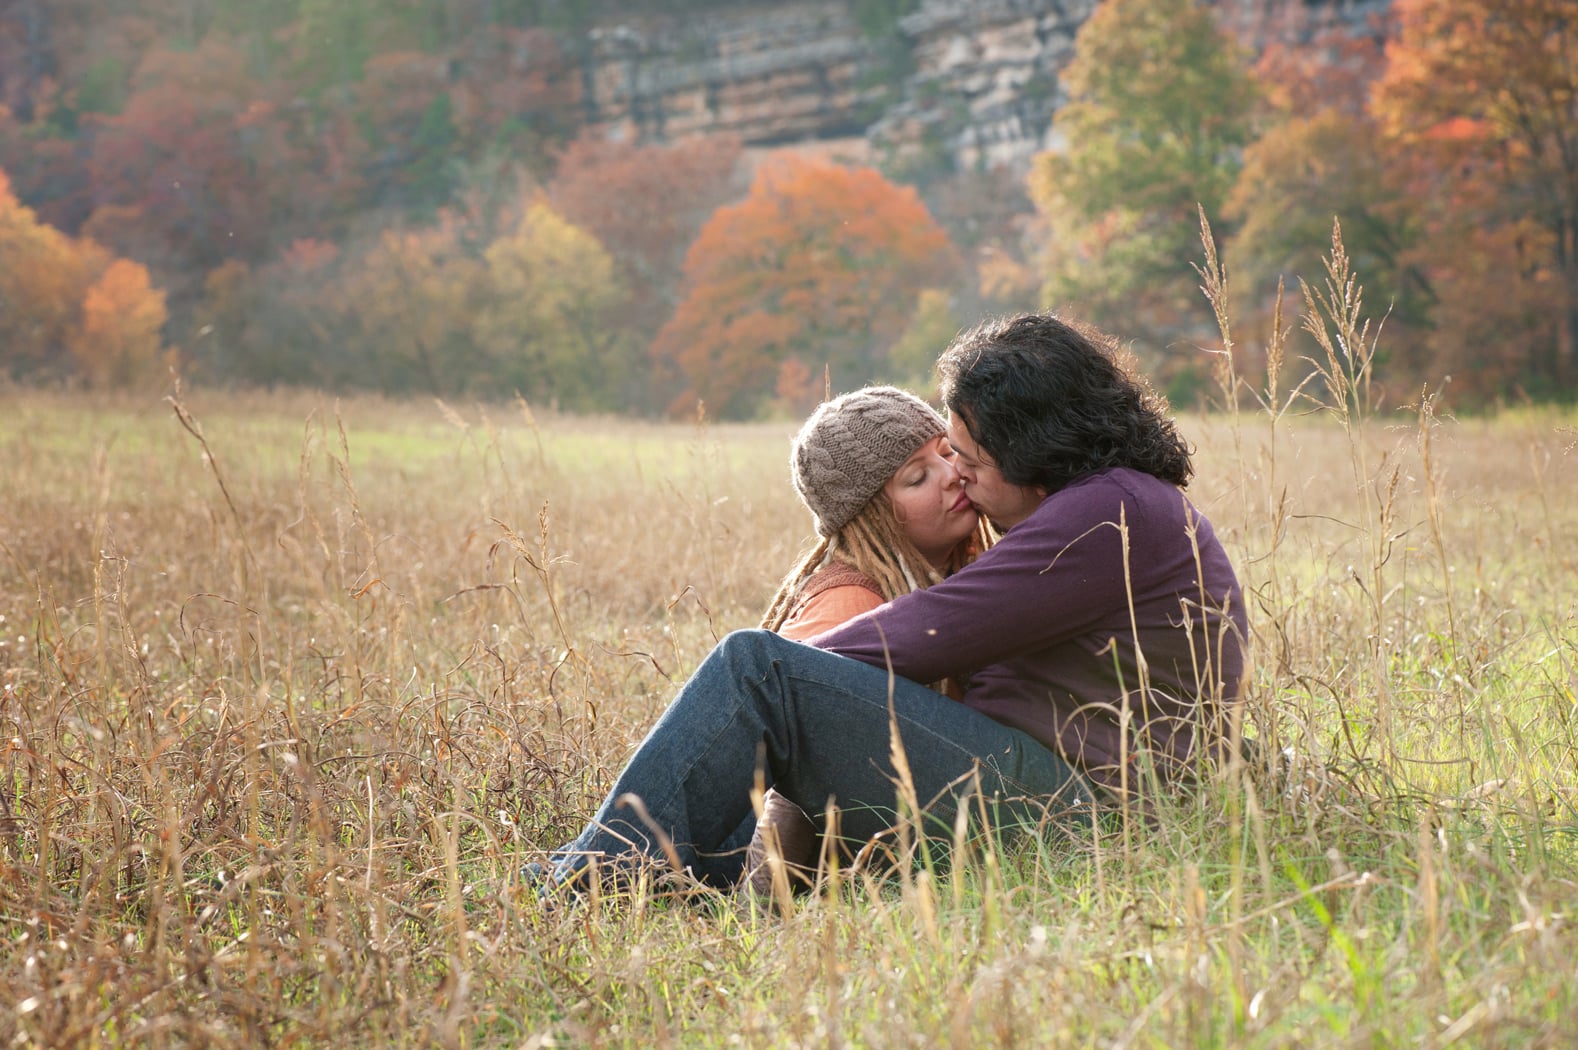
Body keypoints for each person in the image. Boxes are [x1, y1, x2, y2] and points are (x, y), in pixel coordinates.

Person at [533, 312, 1246, 893]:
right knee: (758, 727)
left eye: (967, 456)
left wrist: (785, 681)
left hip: (1073, 816)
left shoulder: (1103, 514)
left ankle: (584, 883)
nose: (958, 475)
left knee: (755, 666)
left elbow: (923, 635)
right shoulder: (1117, 504)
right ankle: (625, 868)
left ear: (1032, 449)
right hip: (1059, 799)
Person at [745, 385, 989, 891]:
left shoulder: (964, 563)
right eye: (917, 477)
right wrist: (768, 899)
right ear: (872, 517)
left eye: (947, 452)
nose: (950, 477)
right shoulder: (852, 598)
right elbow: (794, 736)